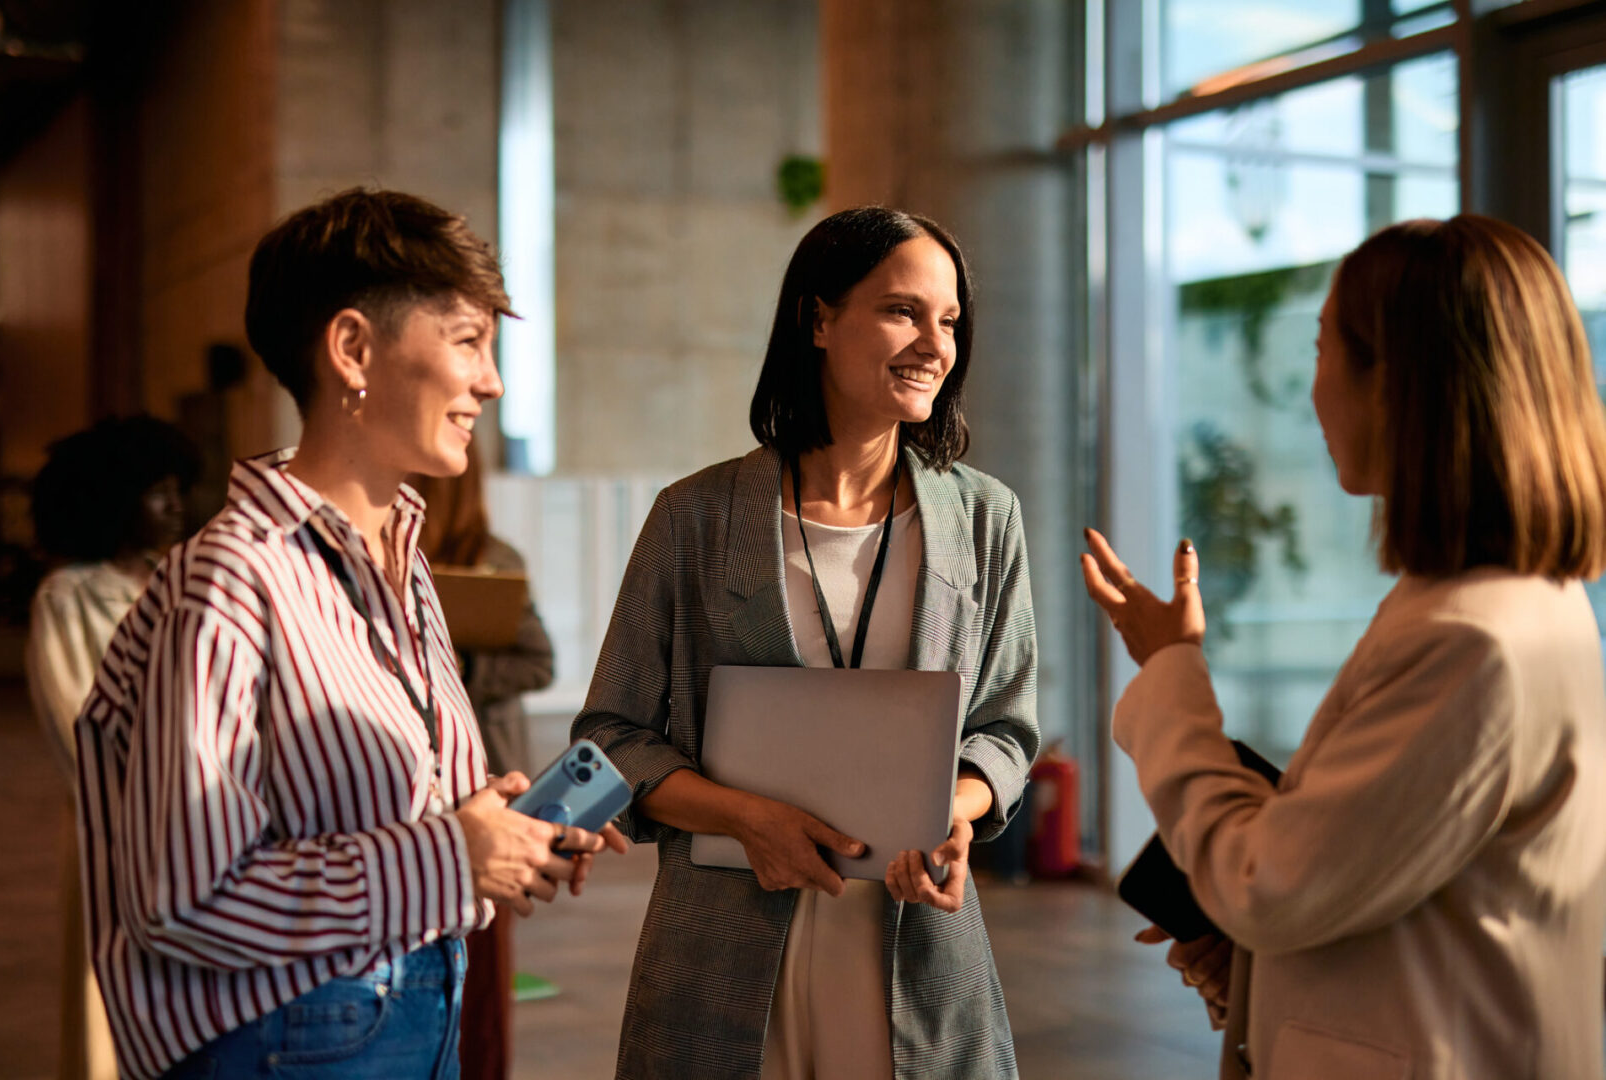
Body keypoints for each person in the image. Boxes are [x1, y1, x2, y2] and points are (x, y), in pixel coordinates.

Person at [72, 188, 624, 1080]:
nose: (492, 380)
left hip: (412, 1008)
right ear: (353, 349)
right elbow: (182, 897)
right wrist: (450, 853)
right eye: (468, 342)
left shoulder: (396, 559)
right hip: (296, 1039)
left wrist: (498, 828)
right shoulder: (233, 578)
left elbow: (359, 815)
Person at [1081, 214, 1606, 1079]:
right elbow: (1406, 881)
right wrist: (1254, 960)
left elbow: (1267, 886)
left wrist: (1171, 673)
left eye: (1323, 347)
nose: (1311, 387)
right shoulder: (1513, 605)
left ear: (1395, 385)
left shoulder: (1467, 640)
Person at [573, 205, 1039, 1079]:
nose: (934, 344)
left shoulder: (984, 518)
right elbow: (607, 739)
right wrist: (745, 817)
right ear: (818, 319)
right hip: (722, 953)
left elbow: (1006, 731)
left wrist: (958, 809)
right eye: (903, 311)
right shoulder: (696, 517)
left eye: (948, 320)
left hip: (918, 949)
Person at [26, 414, 199, 1080]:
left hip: (197, 830)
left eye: (179, 488)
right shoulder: (68, 598)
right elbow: (79, 725)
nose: (177, 505)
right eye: (158, 492)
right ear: (115, 499)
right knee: (111, 1012)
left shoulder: (182, 578)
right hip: (118, 826)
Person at [408, 445, 557, 1080]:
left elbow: (539, 662)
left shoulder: (496, 560)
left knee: (484, 956)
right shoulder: (379, 553)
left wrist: (463, 669)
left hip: (490, 770)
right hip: (416, 779)